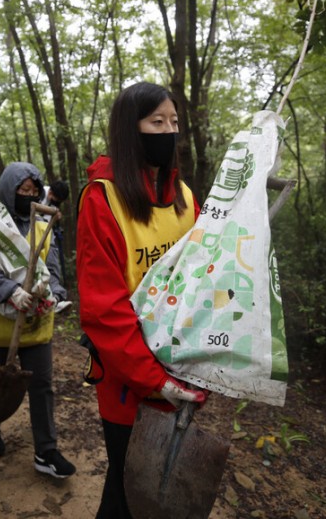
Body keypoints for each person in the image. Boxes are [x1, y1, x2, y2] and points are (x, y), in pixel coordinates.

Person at [76, 82, 206, 518]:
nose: (168, 131)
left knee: (148, 494)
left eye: (174, 122)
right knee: (128, 491)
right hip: (128, 382)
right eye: (157, 122)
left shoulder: (186, 198)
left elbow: (209, 276)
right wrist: (154, 381)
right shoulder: (103, 199)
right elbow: (103, 308)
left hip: (185, 375)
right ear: (130, 131)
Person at [0, 162, 75, 479]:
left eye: (33, 190)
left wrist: (55, 294)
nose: (29, 196)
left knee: (42, 386)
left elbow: (54, 270)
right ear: (6, 191)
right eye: (22, 191)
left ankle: (46, 451)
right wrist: (11, 290)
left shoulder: (43, 226)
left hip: (36, 324)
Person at [42, 179, 71, 311]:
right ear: (51, 192)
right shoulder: (39, 193)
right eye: (55, 198)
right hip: (34, 236)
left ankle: (55, 298)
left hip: (48, 236)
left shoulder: (55, 202)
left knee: (53, 266)